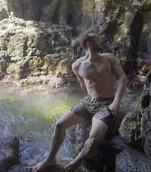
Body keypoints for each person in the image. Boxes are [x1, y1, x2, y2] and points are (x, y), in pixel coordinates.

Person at [33, 34, 128, 172]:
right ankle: (50, 159)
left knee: (93, 138)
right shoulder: (77, 65)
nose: (101, 41)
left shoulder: (108, 58)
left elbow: (123, 78)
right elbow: (84, 86)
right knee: (59, 124)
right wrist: (91, 98)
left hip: (106, 104)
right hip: (88, 102)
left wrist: (116, 102)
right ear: (88, 43)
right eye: (97, 39)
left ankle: (75, 162)